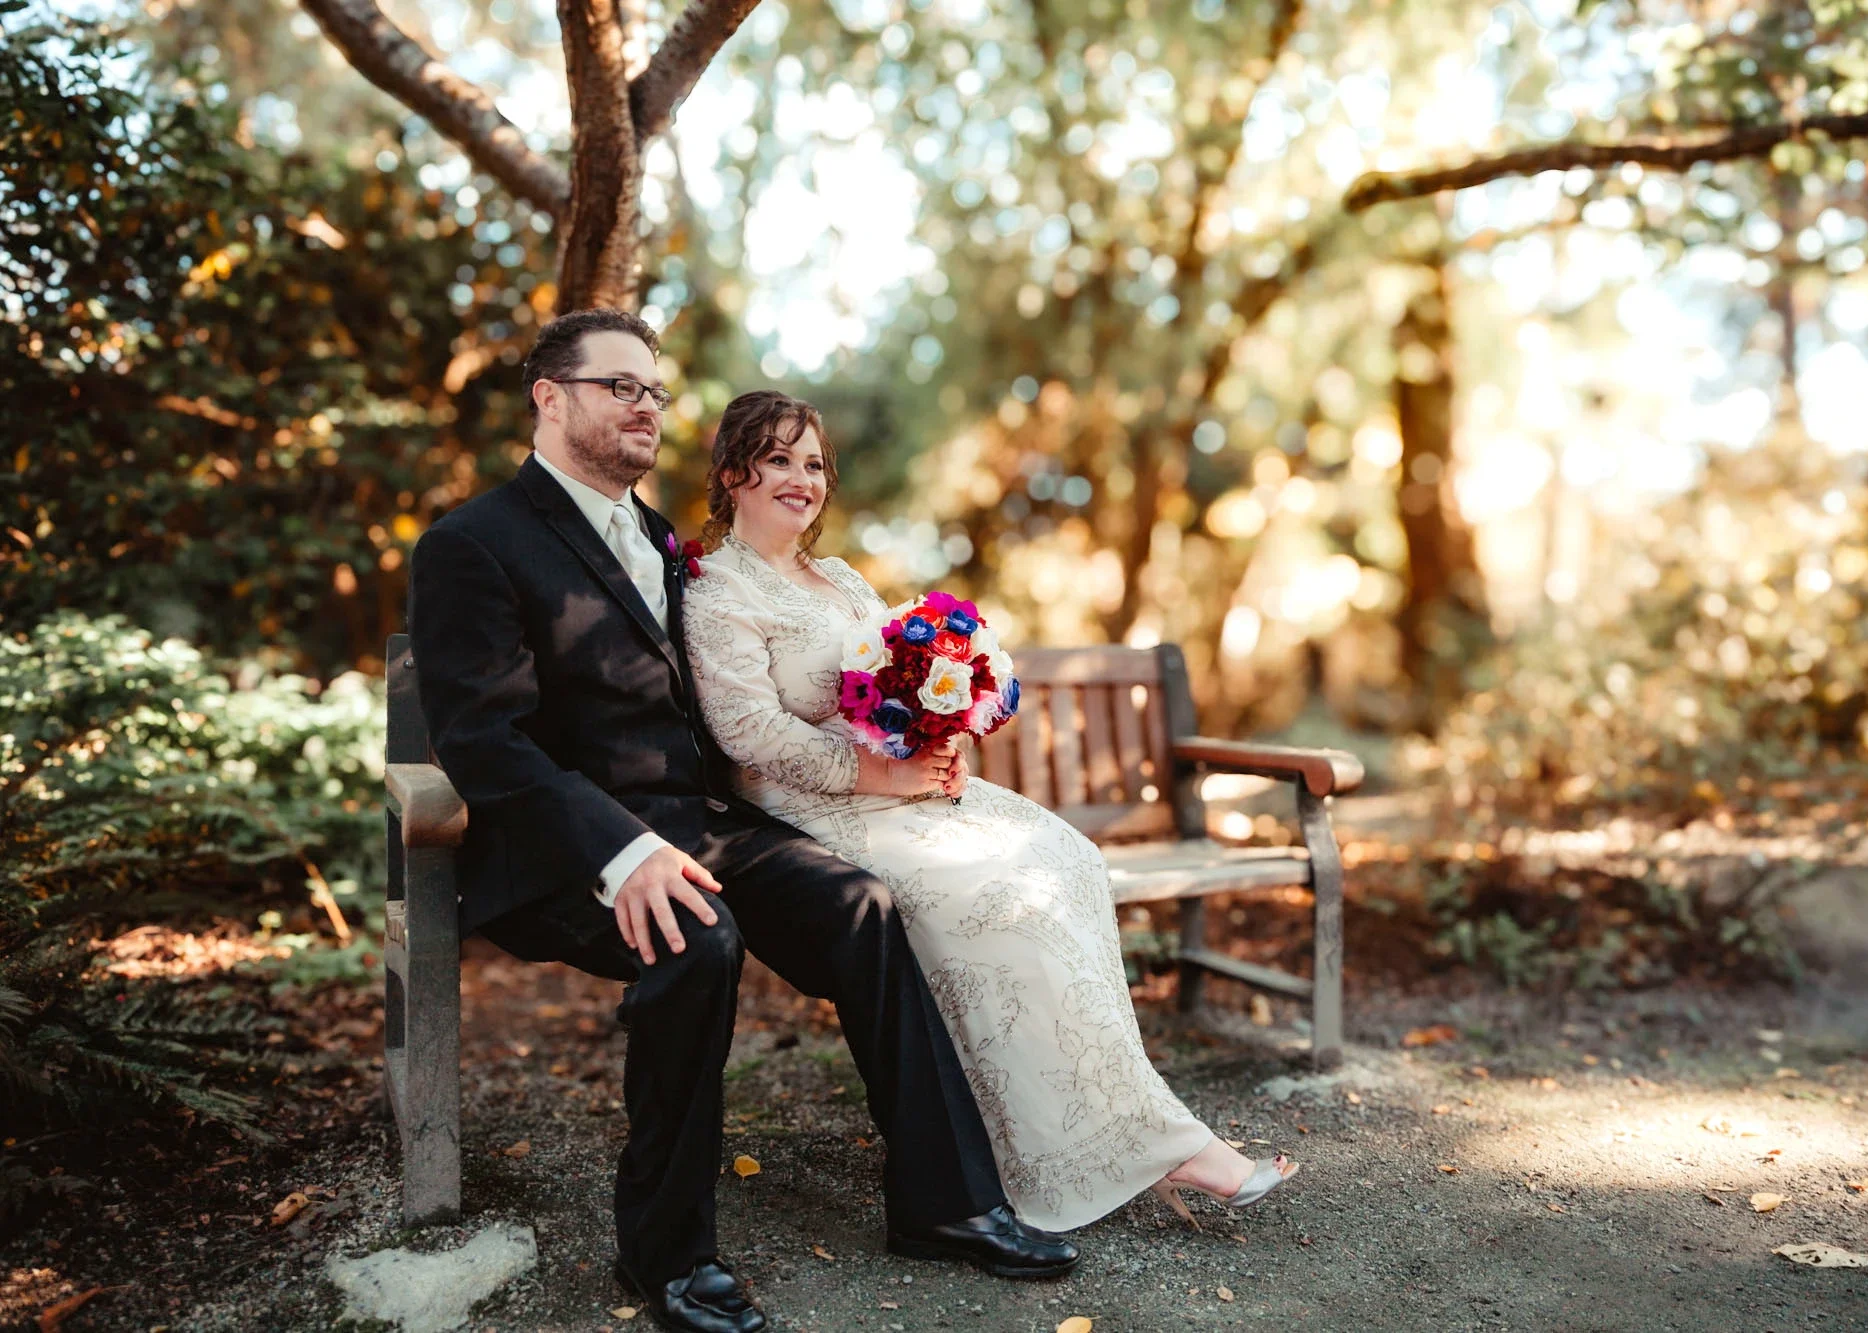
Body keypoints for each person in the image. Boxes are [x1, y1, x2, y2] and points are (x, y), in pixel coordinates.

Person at [407, 311, 1078, 1333]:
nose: (644, 405)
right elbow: (484, 742)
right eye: (618, 385)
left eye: (653, 391)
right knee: (698, 938)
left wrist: (889, 727)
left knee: (862, 905)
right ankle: (665, 1256)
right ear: (549, 395)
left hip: (698, 822)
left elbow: (732, 692)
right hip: (562, 851)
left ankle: (944, 1204)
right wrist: (619, 851)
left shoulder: (666, 547)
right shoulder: (472, 544)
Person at [680, 390, 1298, 1236]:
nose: (802, 478)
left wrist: (941, 728)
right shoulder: (717, 590)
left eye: (814, 462)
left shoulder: (842, 577)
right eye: (778, 459)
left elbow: (889, 684)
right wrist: (877, 773)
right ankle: (1142, 1148)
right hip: (813, 812)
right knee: (1000, 895)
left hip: (902, 787)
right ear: (730, 475)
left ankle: (1115, 1129)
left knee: (1069, 860)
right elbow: (747, 732)